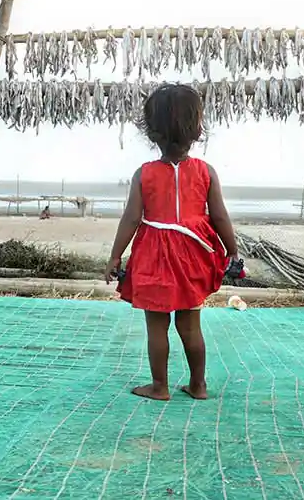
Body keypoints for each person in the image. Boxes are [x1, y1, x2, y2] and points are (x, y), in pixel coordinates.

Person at [105, 83, 239, 402]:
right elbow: (220, 216)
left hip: (154, 257)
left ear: (152, 132)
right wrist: (232, 251)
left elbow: (131, 219)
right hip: (193, 255)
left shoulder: (144, 174)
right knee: (191, 325)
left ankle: (159, 386)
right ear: (197, 130)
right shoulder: (206, 172)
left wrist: (115, 256)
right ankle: (198, 385)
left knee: (157, 327)